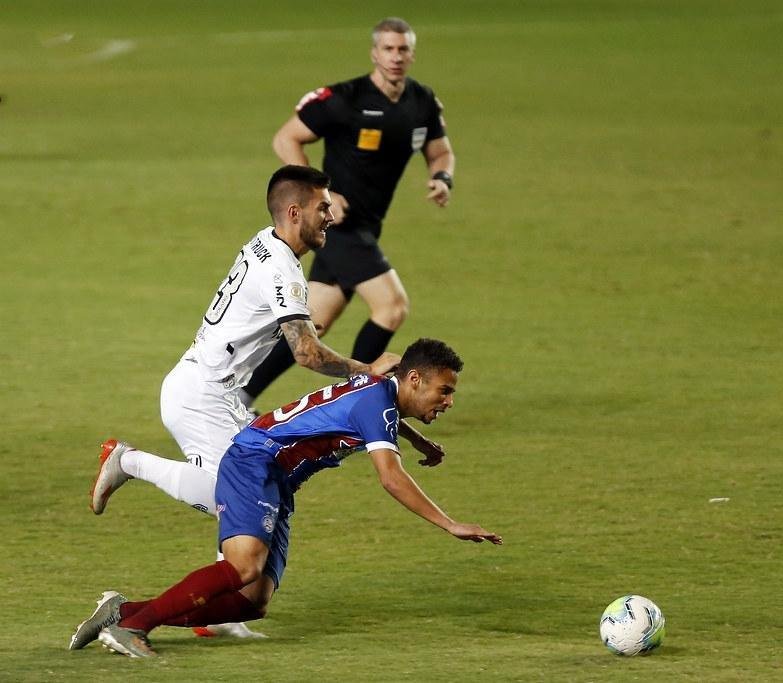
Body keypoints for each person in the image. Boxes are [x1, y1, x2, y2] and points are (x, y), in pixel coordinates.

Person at [80, 165, 440, 642]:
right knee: (235, 499)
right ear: (294, 212)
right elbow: (307, 353)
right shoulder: (282, 268)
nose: (332, 214)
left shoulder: (269, 242)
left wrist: (405, 425)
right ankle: (129, 462)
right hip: (203, 395)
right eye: (322, 207)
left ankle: (213, 611)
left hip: (207, 389)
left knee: (248, 500)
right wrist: (367, 368)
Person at [71, 338, 502, 658]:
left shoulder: (380, 389)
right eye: (444, 391)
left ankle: (124, 612)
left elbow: (381, 415)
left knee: (252, 601)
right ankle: (135, 627)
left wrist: (420, 442)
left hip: (277, 478)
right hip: (255, 460)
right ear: (413, 379)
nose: (448, 401)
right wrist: (451, 524)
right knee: (243, 566)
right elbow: (391, 478)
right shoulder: (378, 401)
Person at [239, 17, 455, 411]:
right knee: (392, 306)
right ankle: (360, 403)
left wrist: (442, 178)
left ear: (412, 53)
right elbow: (286, 137)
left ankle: (237, 397)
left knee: (311, 326)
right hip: (337, 227)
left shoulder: (421, 102)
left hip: (368, 227)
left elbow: (440, 151)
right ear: (374, 52)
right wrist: (323, 195)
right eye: (387, 49)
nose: (395, 56)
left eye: (402, 49)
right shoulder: (346, 99)